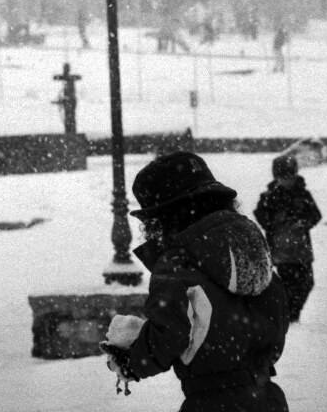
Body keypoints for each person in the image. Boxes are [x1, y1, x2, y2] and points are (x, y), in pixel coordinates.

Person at [103, 151, 290, 411]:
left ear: (162, 218)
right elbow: (276, 315)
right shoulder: (254, 253)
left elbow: (171, 335)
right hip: (267, 398)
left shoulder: (176, 264)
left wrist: (130, 359)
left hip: (211, 402)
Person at [254, 153, 322, 323]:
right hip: (281, 251)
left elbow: (316, 215)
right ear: (277, 177)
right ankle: (288, 316)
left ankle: (292, 313)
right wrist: (278, 222)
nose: (288, 180)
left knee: (307, 282)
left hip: (302, 249)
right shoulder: (269, 196)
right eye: (284, 177)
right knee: (289, 285)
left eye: (291, 176)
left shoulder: (303, 194)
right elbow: (261, 216)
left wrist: (303, 222)